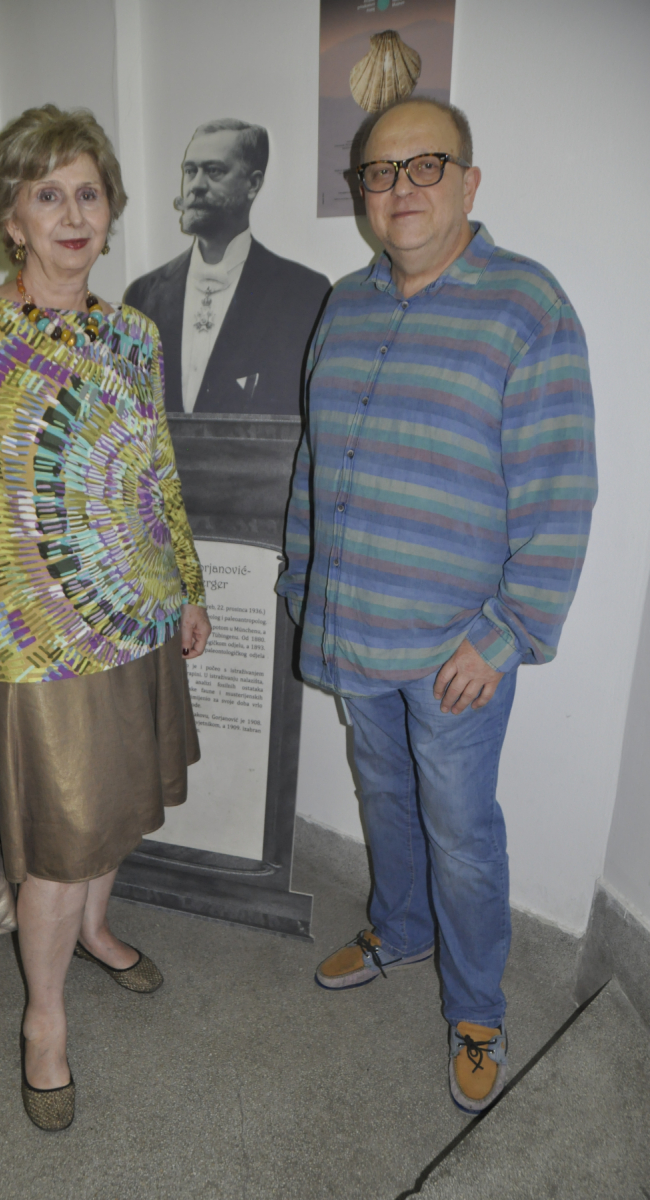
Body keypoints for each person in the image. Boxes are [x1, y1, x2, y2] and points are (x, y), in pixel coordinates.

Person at [276, 97, 596, 1114]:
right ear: (361, 194)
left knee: (460, 832)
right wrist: (301, 580)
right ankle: (401, 930)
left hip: (455, 650)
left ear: (467, 182)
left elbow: (559, 490)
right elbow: (314, 461)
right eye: (379, 172)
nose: (399, 188)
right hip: (352, 626)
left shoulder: (526, 306)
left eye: (424, 166)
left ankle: (476, 1010)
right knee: (381, 797)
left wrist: (504, 638)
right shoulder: (344, 304)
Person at [0, 105, 211, 1131]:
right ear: (12, 218)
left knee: (115, 808)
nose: (73, 214)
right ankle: (42, 1020)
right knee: (54, 842)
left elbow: (154, 470)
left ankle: (95, 928)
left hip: (134, 616)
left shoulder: (132, 334)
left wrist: (186, 587)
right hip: (31, 641)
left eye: (88, 193)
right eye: (48, 195)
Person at [125, 118, 330, 415]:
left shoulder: (304, 294)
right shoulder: (142, 296)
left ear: (253, 184)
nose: (196, 186)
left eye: (214, 171)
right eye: (190, 171)